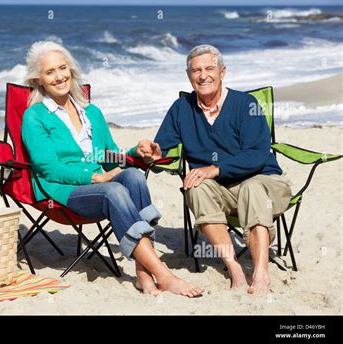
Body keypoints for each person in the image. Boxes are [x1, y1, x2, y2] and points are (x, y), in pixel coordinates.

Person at [21, 41, 204, 298]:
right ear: (38, 79)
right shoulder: (35, 117)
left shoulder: (91, 112)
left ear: (71, 70)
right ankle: (163, 274)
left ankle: (143, 273)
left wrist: (135, 153)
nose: (59, 76)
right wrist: (96, 176)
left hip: (98, 185)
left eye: (63, 68)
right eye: (50, 72)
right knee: (113, 191)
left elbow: (109, 157)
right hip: (61, 190)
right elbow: (49, 168)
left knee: (133, 176)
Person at [142, 44, 292, 294]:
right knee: (195, 186)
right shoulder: (181, 108)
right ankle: (233, 267)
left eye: (209, 68)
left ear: (222, 72)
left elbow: (256, 155)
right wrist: (155, 157)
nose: (203, 76)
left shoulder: (246, 104)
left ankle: (261, 273)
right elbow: (163, 152)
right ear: (188, 75)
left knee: (252, 188)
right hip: (220, 192)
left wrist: (214, 169)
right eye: (196, 70)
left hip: (264, 183)